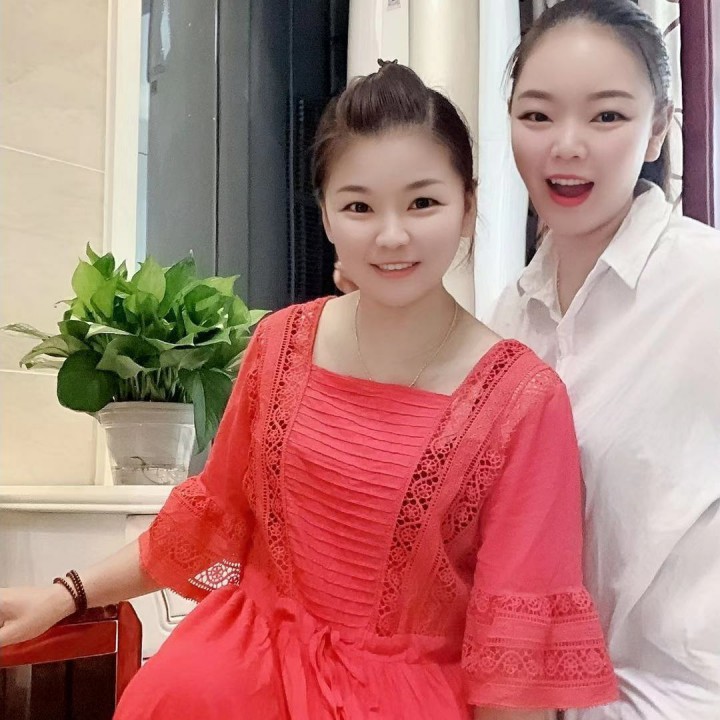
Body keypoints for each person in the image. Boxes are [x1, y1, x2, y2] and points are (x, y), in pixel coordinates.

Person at [0, 62, 617, 719]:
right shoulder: (280, 344)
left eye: (422, 203)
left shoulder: (522, 400)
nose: (391, 235)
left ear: (468, 206)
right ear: (325, 215)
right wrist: (65, 594)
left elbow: (513, 654)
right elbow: (208, 517)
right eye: (359, 206)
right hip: (217, 687)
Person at [489, 3, 720, 718]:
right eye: (537, 116)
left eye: (607, 116)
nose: (566, 146)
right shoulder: (509, 316)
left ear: (659, 129)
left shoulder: (706, 289)